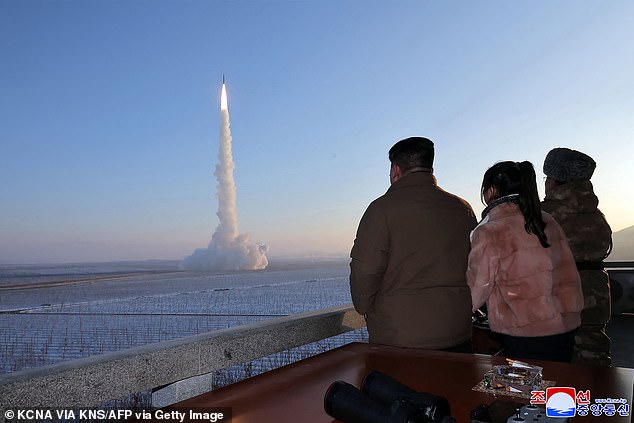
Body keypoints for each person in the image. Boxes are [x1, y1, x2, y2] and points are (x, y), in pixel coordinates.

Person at [350, 136, 477, 351]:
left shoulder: (381, 210)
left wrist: (365, 307)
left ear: (395, 170)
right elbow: (475, 265)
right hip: (457, 331)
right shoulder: (462, 209)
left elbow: (365, 271)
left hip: (400, 339)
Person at [467, 161, 583, 362]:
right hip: (565, 325)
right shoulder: (546, 219)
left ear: (491, 191)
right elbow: (567, 271)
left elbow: (476, 290)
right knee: (556, 388)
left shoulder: (489, 231)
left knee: (526, 391)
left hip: (525, 331)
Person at [541, 147, 613, 366]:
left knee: (555, 361)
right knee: (594, 354)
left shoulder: (543, 214)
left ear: (554, 180)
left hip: (559, 293)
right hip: (596, 292)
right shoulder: (596, 213)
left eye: (547, 177)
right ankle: (597, 396)